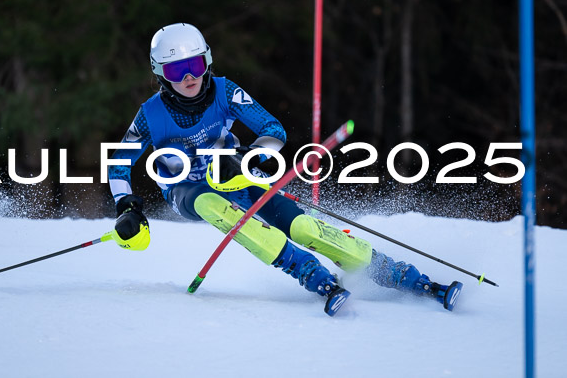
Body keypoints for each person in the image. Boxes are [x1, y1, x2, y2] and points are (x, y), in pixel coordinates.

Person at [107, 22, 462, 316]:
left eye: (195, 66)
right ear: (160, 75)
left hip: (235, 176)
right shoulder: (150, 115)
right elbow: (119, 164)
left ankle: (407, 277)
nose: (188, 77)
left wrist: (247, 156)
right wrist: (126, 206)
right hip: (187, 190)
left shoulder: (225, 92)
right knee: (214, 207)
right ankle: (308, 273)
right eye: (176, 70)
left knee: (303, 226)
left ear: (207, 62)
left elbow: (273, 130)